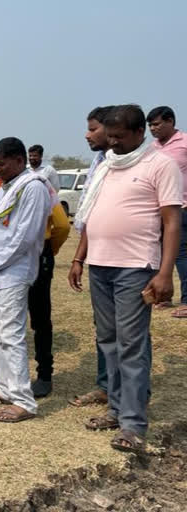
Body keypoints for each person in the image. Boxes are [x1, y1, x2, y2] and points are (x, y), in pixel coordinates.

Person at [69, 105, 182, 453]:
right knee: (108, 340)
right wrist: (79, 257)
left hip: (135, 267)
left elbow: (171, 222)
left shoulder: (160, 165)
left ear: (139, 134)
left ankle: (133, 424)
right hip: (101, 266)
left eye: (119, 137)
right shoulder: (107, 166)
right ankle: (116, 409)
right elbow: (92, 216)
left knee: (132, 344)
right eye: (110, 136)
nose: (113, 143)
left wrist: (165, 273)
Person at [0, 137, 52, 423]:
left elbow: (24, 237)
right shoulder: (7, 186)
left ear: (20, 160)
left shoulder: (33, 187)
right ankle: (6, 388)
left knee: (12, 334)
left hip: (13, 271)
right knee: (0, 332)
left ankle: (23, 400)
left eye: (1, 165)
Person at [69, 105, 115, 408]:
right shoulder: (98, 162)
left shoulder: (140, 164)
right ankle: (106, 385)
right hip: (98, 256)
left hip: (132, 261)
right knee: (105, 327)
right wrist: (78, 258)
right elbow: (90, 215)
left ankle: (133, 394)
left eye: (93, 128)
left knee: (131, 332)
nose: (87, 135)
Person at [27, 178, 70, 397]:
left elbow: (62, 226)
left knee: (39, 318)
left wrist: (48, 250)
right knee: (37, 318)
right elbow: (61, 225)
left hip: (33, 256)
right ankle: (17, 375)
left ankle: (44, 375)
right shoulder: (40, 185)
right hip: (33, 254)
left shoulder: (38, 186)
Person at [146, 106, 187, 314]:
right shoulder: (152, 148)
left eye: (157, 124)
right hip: (159, 209)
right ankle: (164, 296)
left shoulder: (185, 142)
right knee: (163, 253)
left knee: (181, 254)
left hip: (182, 207)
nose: (153, 129)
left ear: (170, 121)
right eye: (150, 125)